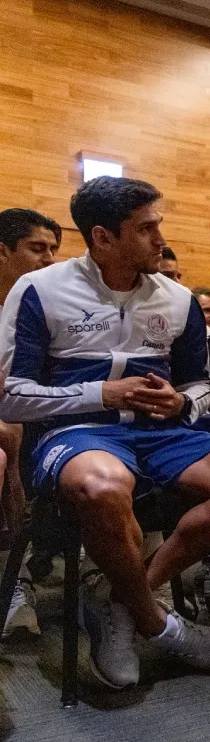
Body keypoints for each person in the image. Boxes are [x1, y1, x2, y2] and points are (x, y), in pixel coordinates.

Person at [0, 176, 210, 689]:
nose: (160, 239)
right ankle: (159, 624)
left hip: (162, 432)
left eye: (158, 225)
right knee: (101, 487)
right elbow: (11, 395)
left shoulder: (177, 299)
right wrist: (104, 394)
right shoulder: (38, 290)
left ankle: (124, 602)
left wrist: (183, 401)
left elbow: (199, 385)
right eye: (146, 229)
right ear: (103, 237)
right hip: (78, 432)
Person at [0, 207, 61, 639]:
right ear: (2, 252)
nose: (49, 260)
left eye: (54, 250)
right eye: (37, 248)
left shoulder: (45, 312)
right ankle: (14, 579)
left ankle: (108, 583)